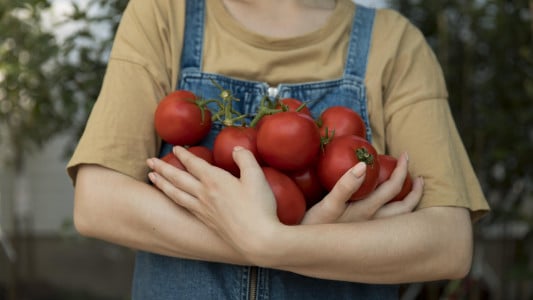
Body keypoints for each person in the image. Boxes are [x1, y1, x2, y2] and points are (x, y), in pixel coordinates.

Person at [67, 0, 490, 299]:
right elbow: (98, 202)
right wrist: (275, 237)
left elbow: (448, 244)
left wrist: (275, 244)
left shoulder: (394, 44)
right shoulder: (164, 15)